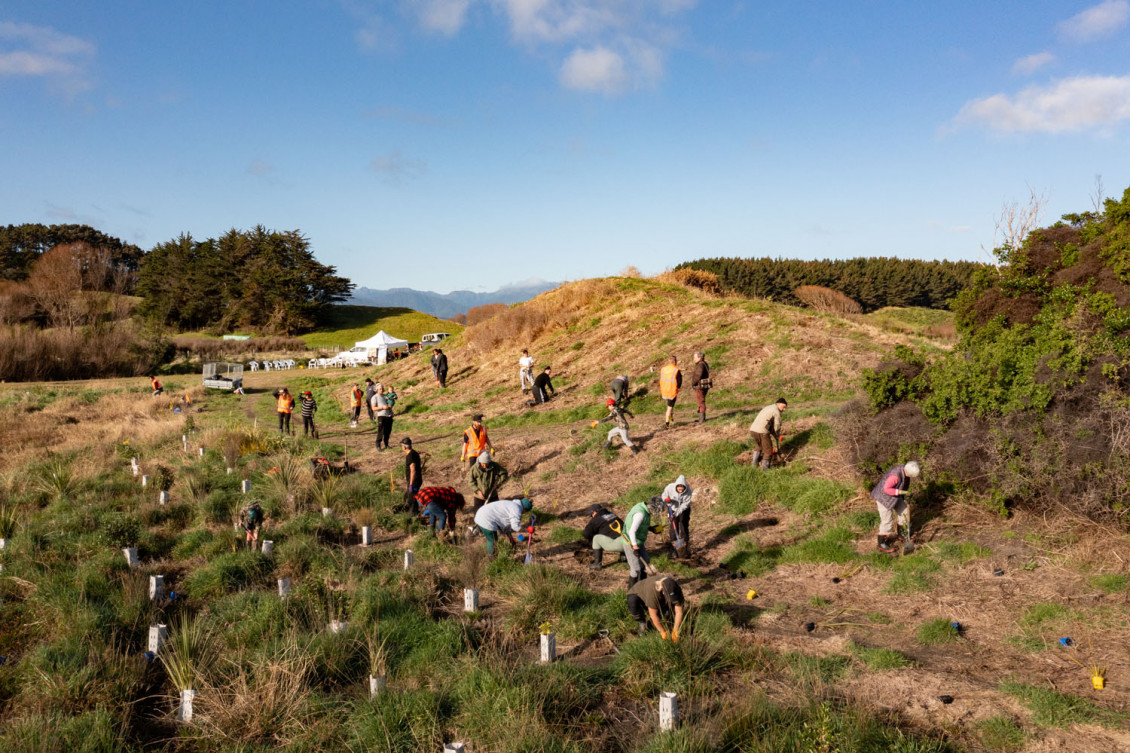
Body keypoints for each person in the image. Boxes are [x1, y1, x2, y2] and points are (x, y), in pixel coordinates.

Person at [871, 460, 921, 553]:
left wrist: (902, 494)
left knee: (905, 511)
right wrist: (901, 492)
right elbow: (886, 489)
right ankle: (881, 543)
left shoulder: (905, 471)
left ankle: (902, 535)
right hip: (883, 498)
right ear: (909, 473)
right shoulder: (895, 475)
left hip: (895, 497)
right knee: (887, 520)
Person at [622, 496, 664, 589]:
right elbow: (631, 531)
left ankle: (642, 586)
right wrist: (635, 547)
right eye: (656, 512)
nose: (655, 514)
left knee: (645, 562)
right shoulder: (640, 514)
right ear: (652, 508)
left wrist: (651, 528)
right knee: (635, 569)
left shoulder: (645, 508)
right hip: (630, 541)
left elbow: (640, 525)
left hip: (638, 541)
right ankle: (632, 592)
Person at [628, 575, 686, 640]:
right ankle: (642, 622)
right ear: (662, 590)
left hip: (659, 597)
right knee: (632, 602)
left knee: (667, 613)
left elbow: (679, 612)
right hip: (638, 595)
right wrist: (663, 632)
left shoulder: (676, 589)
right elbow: (653, 614)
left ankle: (657, 619)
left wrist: (676, 630)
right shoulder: (653, 591)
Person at [581, 504, 624, 571]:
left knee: (596, 538)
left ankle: (597, 564)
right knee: (617, 533)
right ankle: (624, 557)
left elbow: (586, 534)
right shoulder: (612, 514)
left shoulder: (596, 519)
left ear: (594, 512)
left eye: (591, 515)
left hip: (621, 544)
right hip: (630, 542)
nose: (592, 517)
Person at [749, 398, 787, 470]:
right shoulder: (776, 412)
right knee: (768, 451)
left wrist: (772, 432)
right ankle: (765, 470)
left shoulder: (768, 407)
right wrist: (777, 435)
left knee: (758, 446)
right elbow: (777, 426)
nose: (784, 409)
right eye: (783, 407)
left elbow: (767, 422)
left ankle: (753, 465)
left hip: (753, 430)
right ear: (778, 404)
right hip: (762, 431)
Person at [662, 474, 693, 558]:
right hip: (672, 508)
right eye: (679, 489)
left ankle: (684, 549)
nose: (680, 490)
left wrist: (676, 514)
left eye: (682, 489)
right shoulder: (669, 487)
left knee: (683, 526)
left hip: (684, 510)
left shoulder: (688, 491)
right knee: (673, 527)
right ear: (676, 487)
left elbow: (685, 505)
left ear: (685, 488)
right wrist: (666, 499)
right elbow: (664, 495)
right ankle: (674, 549)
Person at [659, 355, 682, 429]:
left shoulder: (663, 369)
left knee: (670, 406)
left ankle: (671, 419)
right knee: (669, 407)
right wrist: (677, 387)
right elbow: (679, 382)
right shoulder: (676, 370)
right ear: (674, 361)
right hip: (672, 391)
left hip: (664, 390)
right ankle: (667, 423)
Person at [401, 437, 422, 511]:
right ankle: (415, 513)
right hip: (416, 480)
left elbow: (413, 470)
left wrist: (410, 484)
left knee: (411, 500)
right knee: (412, 498)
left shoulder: (410, 456)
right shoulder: (414, 453)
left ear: (404, 447)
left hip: (414, 481)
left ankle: (413, 516)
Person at [690, 352, 711, 424]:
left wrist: (693, 383)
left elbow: (697, 376)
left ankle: (701, 420)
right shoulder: (704, 363)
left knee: (700, 402)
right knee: (701, 401)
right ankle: (701, 418)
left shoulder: (700, 365)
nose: (694, 359)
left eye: (695, 357)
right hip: (703, 386)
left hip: (700, 387)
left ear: (699, 357)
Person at [373, 382, 393, 451]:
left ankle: (386, 444)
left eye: (382, 388)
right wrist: (382, 407)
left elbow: (389, 403)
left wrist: (390, 407)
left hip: (389, 415)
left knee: (388, 431)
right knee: (381, 431)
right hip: (381, 416)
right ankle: (378, 445)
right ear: (376, 389)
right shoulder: (374, 397)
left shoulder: (385, 396)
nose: (381, 390)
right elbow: (373, 408)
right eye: (380, 389)